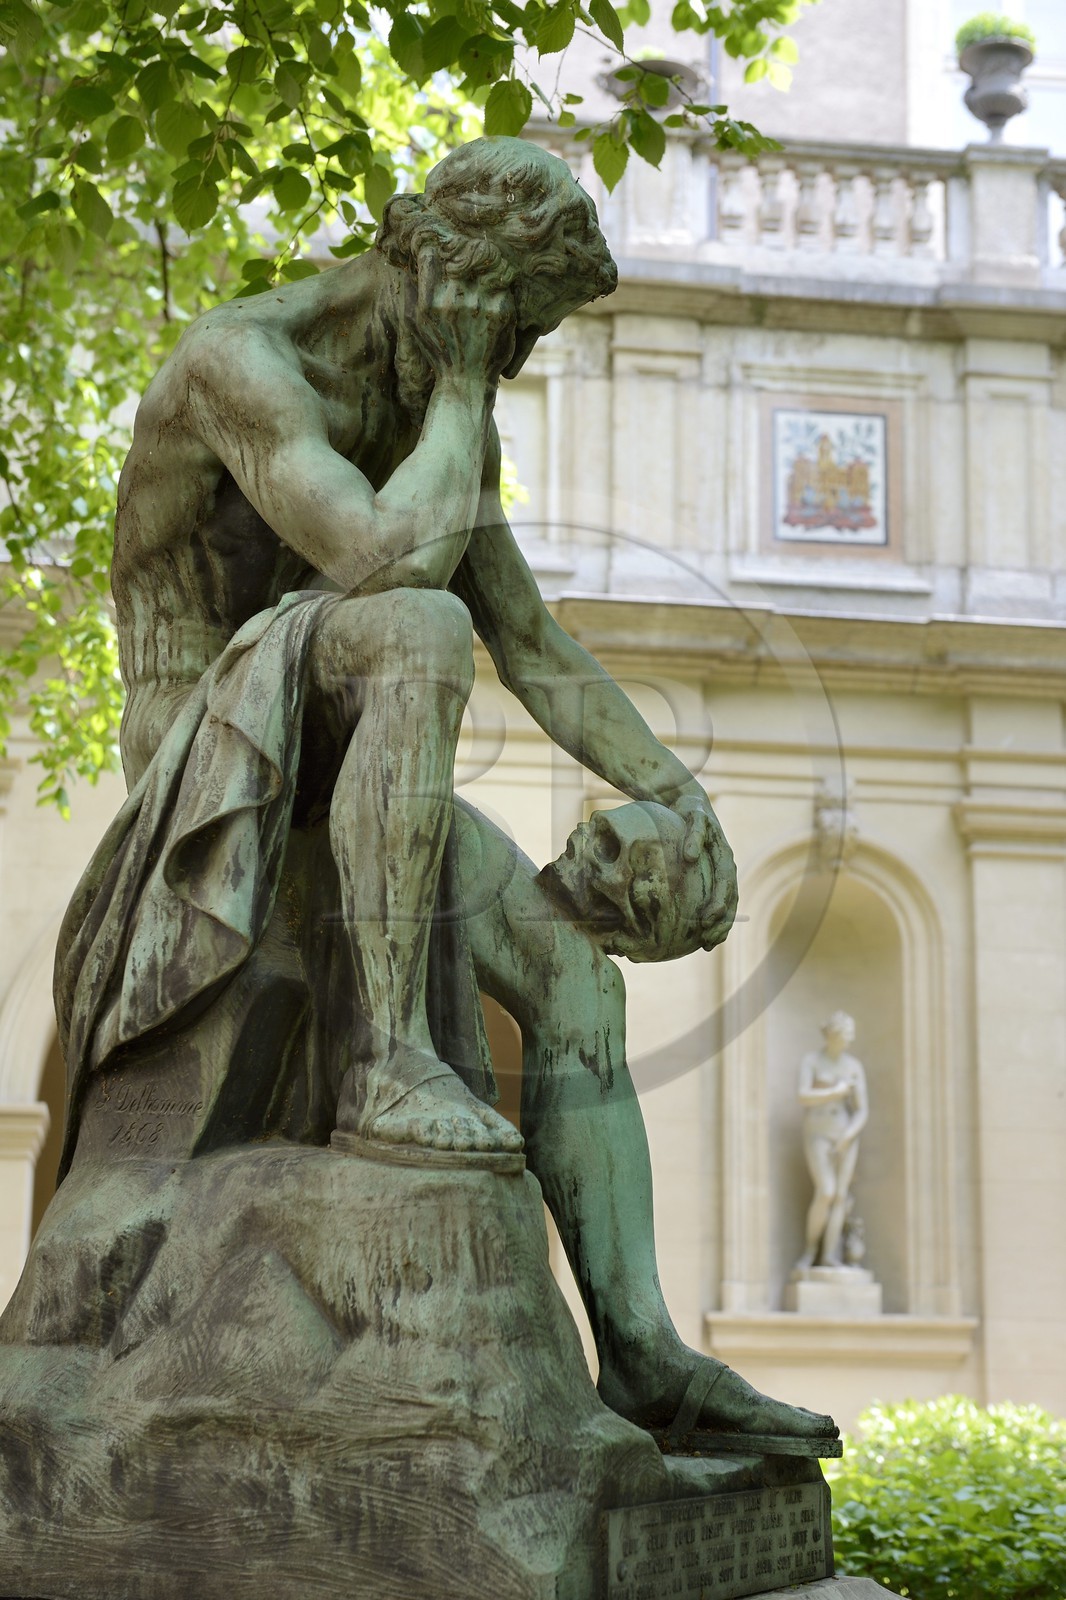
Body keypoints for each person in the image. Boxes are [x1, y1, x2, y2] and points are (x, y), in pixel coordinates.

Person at [54, 135, 834, 1444]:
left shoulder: (434, 415)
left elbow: (529, 641)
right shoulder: (242, 364)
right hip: (205, 735)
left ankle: (637, 1352)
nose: (516, 360)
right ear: (447, 271)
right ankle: (388, 1066)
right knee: (414, 624)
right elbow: (369, 561)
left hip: (340, 725)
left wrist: (676, 794)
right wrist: (466, 384)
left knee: (569, 971)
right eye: (512, 325)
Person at [796, 1011, 869, 1270]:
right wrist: (833, 1092)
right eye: (847, 1032)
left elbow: (862, 1109)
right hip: (818, 1129)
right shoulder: (812, 1061)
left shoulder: (853, 1066)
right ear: (834, 1034)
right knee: (825, 1191)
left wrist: (848, 1135)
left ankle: (830, 1255)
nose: (851, 1037)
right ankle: (810, 1250)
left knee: (840, 1195)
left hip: (844, 1133)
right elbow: (803, 1096)